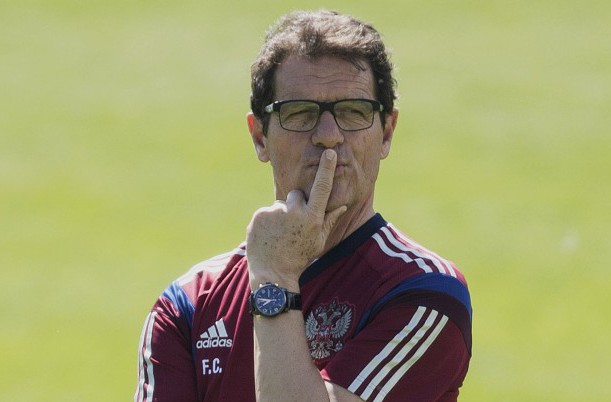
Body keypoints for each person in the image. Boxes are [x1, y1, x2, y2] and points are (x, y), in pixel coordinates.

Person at [135, 9, 472, 402]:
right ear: (260, 137)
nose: (328, 136)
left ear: (386, 133)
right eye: (300, 113)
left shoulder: (424, 293)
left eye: (353, 112)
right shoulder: (189, 305)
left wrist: (275, 280)